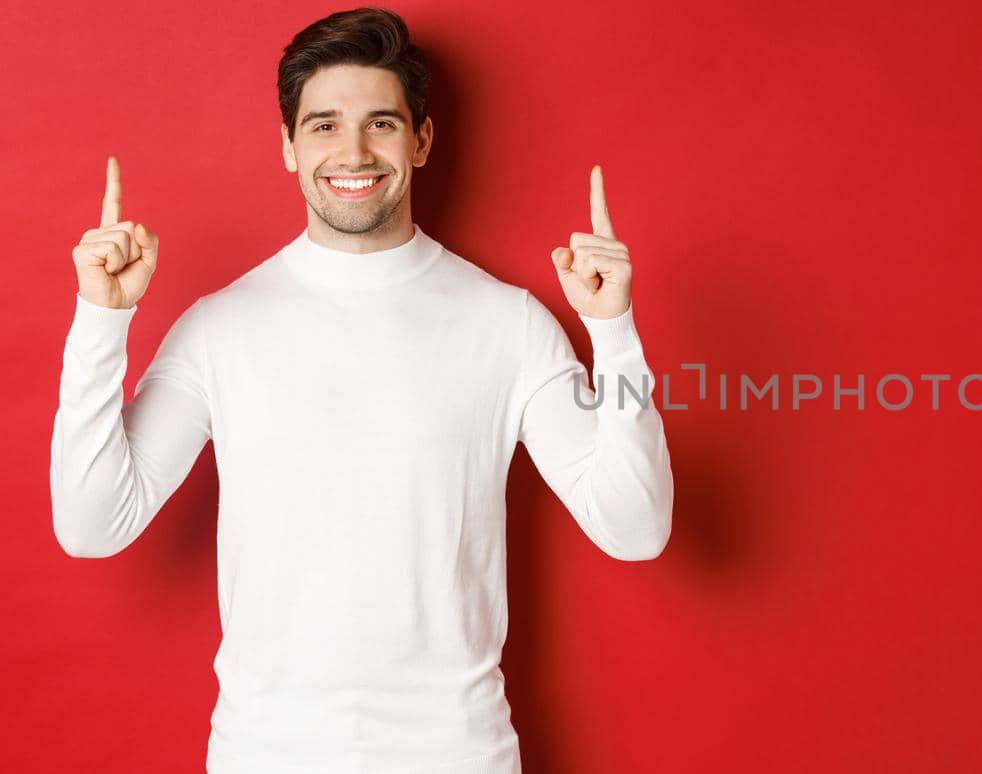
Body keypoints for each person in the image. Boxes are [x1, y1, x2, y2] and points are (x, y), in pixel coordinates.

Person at [48, 7, 673, 773]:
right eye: (323, 126)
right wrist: (99, 323)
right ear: (288, 145)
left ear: (422, 139)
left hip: (459, 754)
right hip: (264, 755)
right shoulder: (220, 329)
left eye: (381, 123)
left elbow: (636, 530)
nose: (352, 151)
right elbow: (91, 525)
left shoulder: (507, 324)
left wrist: (613, 333)